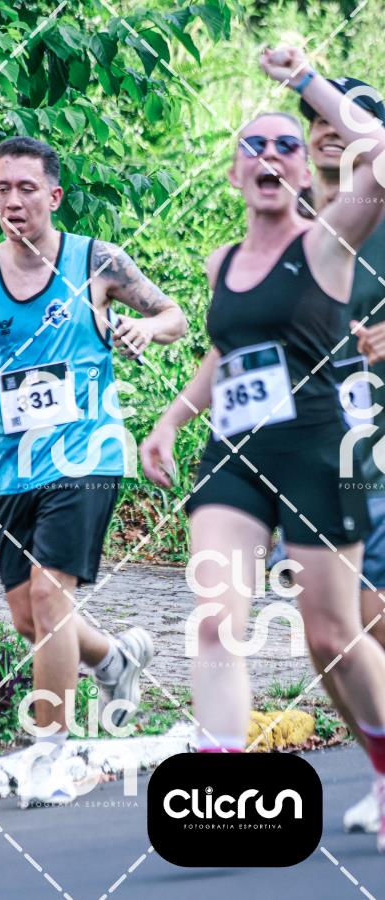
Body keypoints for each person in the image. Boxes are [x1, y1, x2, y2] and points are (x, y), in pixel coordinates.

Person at [141, 48, 385, 853]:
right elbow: (228, 356)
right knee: (215, 623)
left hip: (317, 451)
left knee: (333, 634)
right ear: (236, 171)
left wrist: (305, 80)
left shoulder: (329, 243)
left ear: (304, 170)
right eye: (256, 145)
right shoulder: (222, 262)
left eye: (287, 144)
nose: (272, 155)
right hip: (235, 457)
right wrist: (170, 421)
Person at [0, 136, 187, 806]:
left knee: (51, 598)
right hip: (10, 463)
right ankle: (113, 658)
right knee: (29, 615)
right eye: (2, 189)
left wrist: (145, 330)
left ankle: (50, 752)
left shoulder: (96, 261)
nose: (13, 201)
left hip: (87, 453)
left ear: (54, 195)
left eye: (26, 188)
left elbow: (176, 316)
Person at [298, 77, 385, 835]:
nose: (326, 128)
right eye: (314, 118)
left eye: (344, 117)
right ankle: (380, 773)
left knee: (366, 616)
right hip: (318, 456)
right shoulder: (287, 219)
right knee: (326, 636)